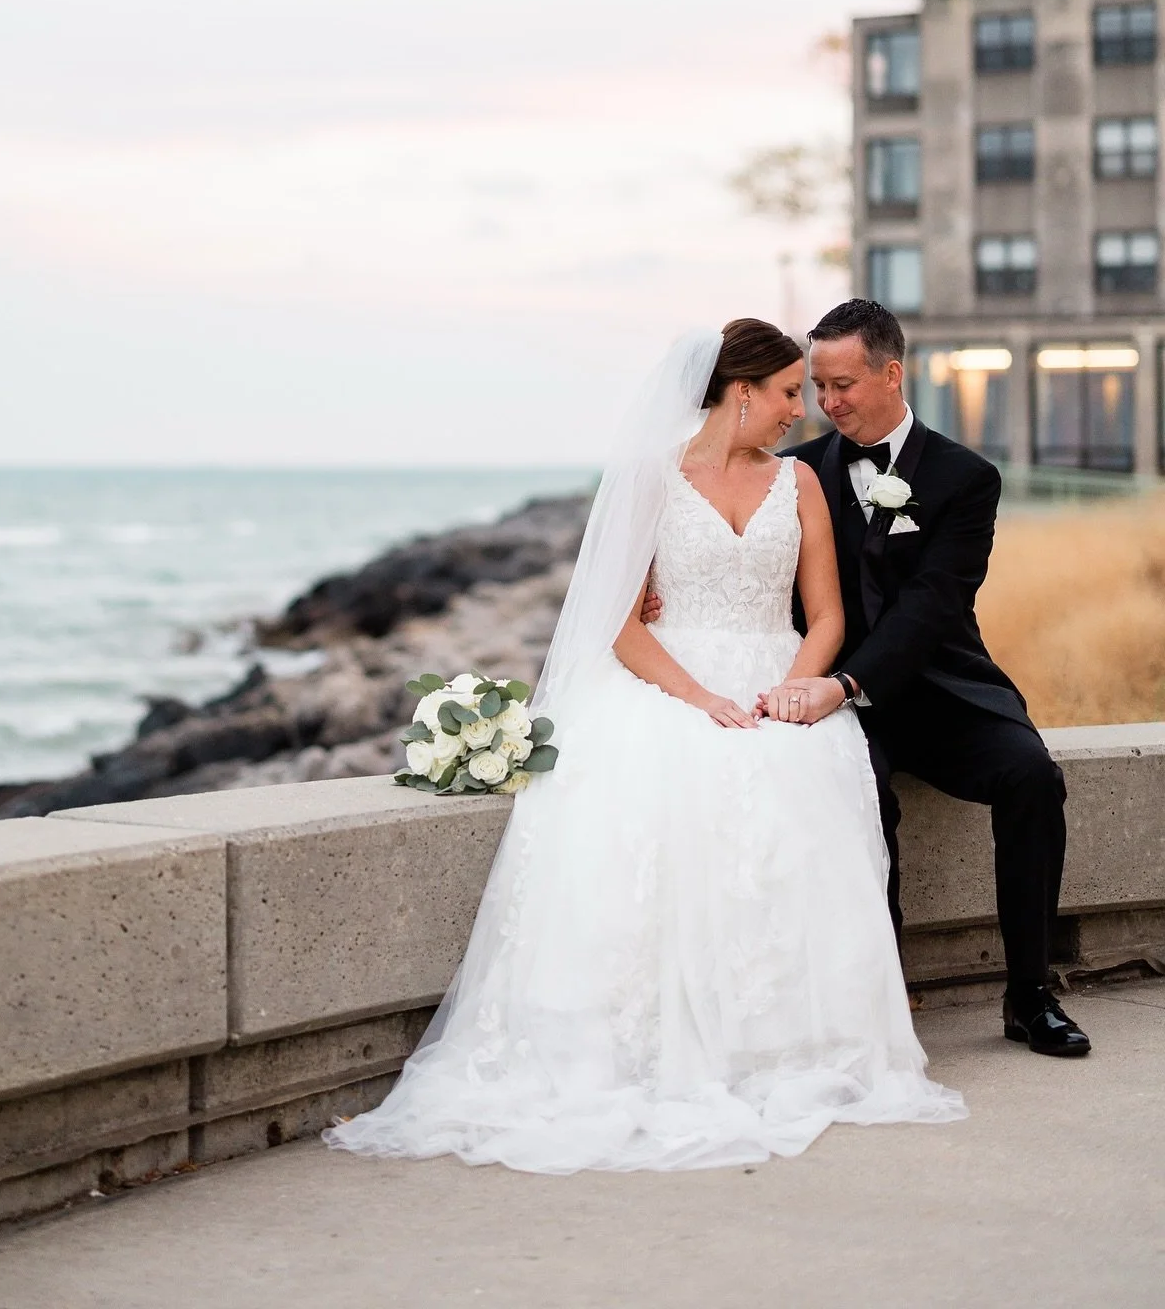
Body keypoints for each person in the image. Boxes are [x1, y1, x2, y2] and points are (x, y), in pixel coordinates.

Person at [325, 320, 963, 1174]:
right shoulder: (651, 480)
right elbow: (620, 624)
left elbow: (828, 616)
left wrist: (795, 691)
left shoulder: (802, 482)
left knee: (801, 768)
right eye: (787, 392)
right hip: (670, 678)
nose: (800, 409)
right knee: (671, 774)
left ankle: (788, 1043)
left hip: (776, 677)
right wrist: (699, 698)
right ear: (742, 391)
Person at [717, 298, 1086, 1058]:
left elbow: (932, 605)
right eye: (818, 386)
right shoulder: (796, 473)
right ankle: (882, 997)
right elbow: (750, 566)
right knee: (863, 795)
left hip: (942, 689)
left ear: (892, 373)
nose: (827, 402)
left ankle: (1030, 995)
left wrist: (847, 683)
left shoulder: (966, 477)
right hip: (834, 701)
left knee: (1031, 777)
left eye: (843, 384)